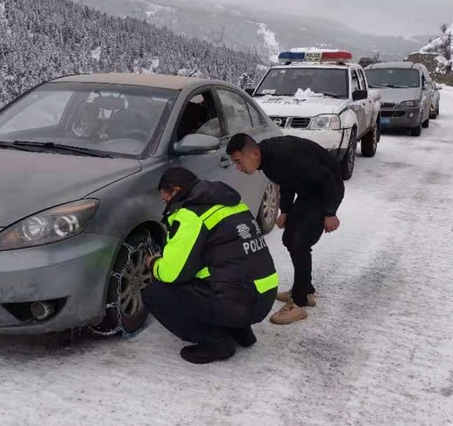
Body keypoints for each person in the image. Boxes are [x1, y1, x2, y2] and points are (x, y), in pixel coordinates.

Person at [143, 167, 278, 364]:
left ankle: (215, 342)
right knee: (225, 269)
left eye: (166, 199)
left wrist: (154, 263)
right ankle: (241, 331)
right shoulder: (229, 202)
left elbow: (173, 273)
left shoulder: (191, 214)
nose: (166, 203)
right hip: (264, 296)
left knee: (156, 293)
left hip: (237, 303)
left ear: (176, 190)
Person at [226, 133, 344, 325]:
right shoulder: (269, 160)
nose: (239, 168)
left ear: (254, 153)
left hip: (324, 192)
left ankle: (298, 303)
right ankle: (305, 290)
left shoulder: (285, 154)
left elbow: (329, 176)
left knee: (299, 242)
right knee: (289, 239)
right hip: (307, 193)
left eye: (239, 162)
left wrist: (330, 212)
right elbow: (287, 181)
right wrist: (286, 211)